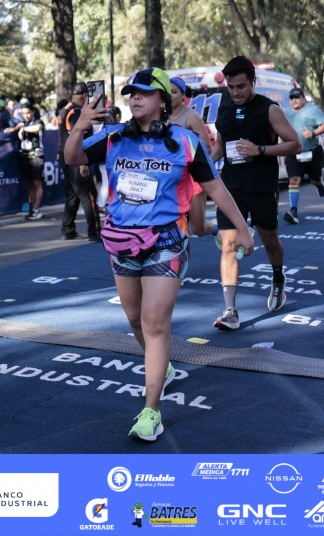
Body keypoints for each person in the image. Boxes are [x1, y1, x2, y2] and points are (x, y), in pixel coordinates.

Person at [64, 67, 253, 442]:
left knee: (153, 323)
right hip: (122, 241)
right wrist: (80, 125)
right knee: (135, 320)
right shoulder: (114, 137)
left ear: (163, 101)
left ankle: (151, 411)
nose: (135, 97)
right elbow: (72, 158)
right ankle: (160, 365)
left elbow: (215, 187)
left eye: (144, 92)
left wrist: (241, 227)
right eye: (131, 93)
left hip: (166, 241)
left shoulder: (185, 141)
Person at [210, 56, 301, 330]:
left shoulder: (269, 109)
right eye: (231, 87)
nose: (236, 92)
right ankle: (230, 311)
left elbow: (295, 144)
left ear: (253, 82)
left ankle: (278, 278)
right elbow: (221, 146)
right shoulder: (225, 108)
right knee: (228, 244)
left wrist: (259, 150)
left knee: (269, 239)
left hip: (262, 186)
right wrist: (201, 166)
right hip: (230, 187)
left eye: (241, 86)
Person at [167, 77, 216, 238]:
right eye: (167, 92)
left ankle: (218, 231)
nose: (170, 95)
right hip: (170, 177)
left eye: (174, 92)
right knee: (174, 227)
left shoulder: (191, 117)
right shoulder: (159, 117)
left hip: (192, 177)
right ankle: (180, 254)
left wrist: (182, 151)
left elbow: (207, 147)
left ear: (183, 95)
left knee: (198, 228)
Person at [58, 82, 100, 241]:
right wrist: (82, 163)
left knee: (72, 195)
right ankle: (94, 232)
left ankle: (68, 229)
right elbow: (77, 136)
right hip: (76, 158)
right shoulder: (76, 111)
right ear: (84, 95)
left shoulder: (65, 109)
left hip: (65, 157)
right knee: (88, 194)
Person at [282, 87, 324, 224]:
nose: (294, 100)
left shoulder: (313, 110)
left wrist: (313, 133)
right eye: (291, 98)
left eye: (297, 97)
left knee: (314, 180)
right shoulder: (285, 113)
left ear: (303, 98)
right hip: (293, 153)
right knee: (293, 181)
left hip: (312, 151)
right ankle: (293, 211)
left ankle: (319, 184)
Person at [16, 103, 45, 219]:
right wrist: (17, 128)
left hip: (36, 155)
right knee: (30, 184)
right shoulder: (23, 123)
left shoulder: (38, 121)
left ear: (33, 112)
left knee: (37, 183)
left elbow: (37, 128)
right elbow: (7, 129)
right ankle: (33, 209)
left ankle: (37, 209)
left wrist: (23, 129)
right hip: (25, 156)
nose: (26, 115)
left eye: (28, 113)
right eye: (23, 113)